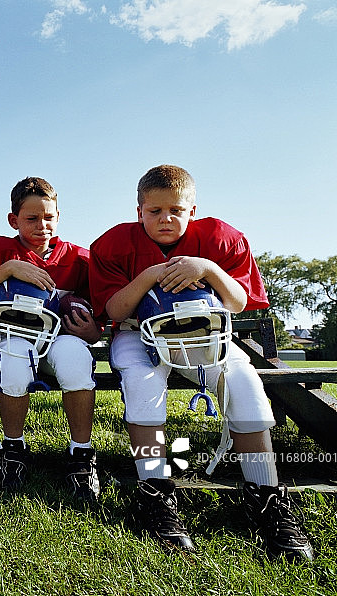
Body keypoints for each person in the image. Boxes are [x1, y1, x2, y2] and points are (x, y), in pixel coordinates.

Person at [89, 164, 313, 560]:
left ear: (193, 210)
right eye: (154, 211)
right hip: (135, 331)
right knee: (142, 384)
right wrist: (151, 276)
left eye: (176, 209)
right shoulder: (112, 243)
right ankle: (154, 491)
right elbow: (113, 308)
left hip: (205, 335)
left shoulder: (220, 238)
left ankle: (265, 496)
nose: (165, 218)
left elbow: (239, 302)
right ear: (138, 210)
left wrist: (207, 268)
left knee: (245, 385)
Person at [0, 177, 103, 500]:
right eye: (32, 218)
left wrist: (93, 332)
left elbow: (100, 316)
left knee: (76, 360)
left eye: (49, 217)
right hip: (13, 335)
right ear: (13, 220)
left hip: (58, 338)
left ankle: (81, 454)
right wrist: (10, 268)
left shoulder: (78, 259)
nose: (42, 225)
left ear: (58, 216)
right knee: (13, 364)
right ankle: (14, 450)